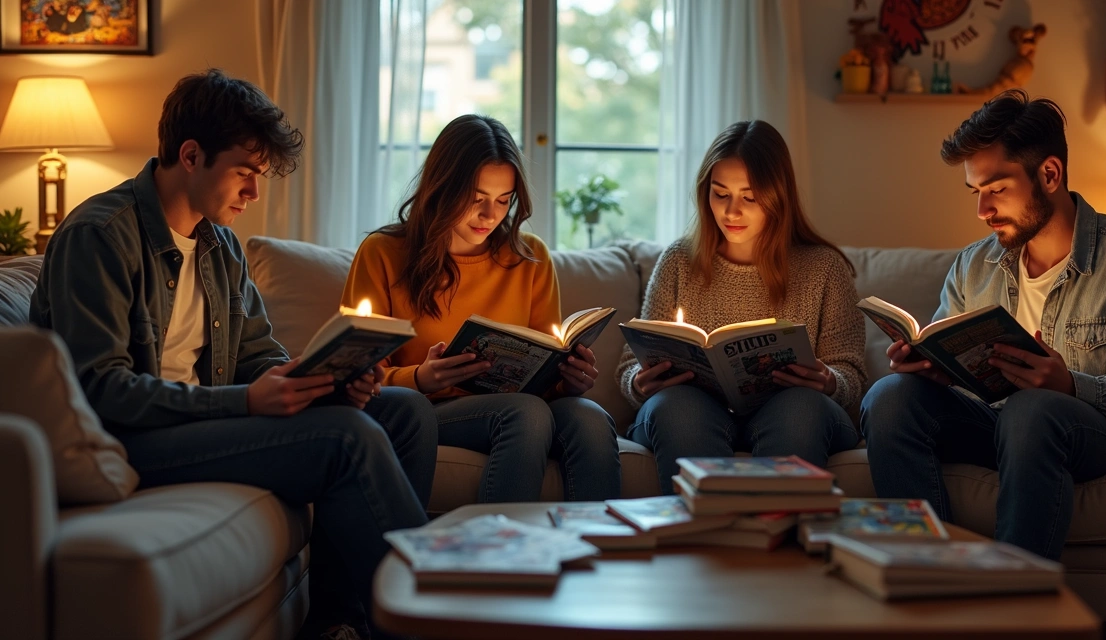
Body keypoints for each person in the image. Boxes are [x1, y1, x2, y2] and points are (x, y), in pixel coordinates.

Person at [28, 69, 437, 640]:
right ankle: (439, 615)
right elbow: (100, 391)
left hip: (201, 423)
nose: (254, 192)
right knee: (347, 438)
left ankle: (340, 624)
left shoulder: (220, 245)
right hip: (133, 438)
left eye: (260, 175)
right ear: (191, 155)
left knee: (403, 413)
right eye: (245, 172)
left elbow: (258, 354)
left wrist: (325, 378)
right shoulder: (100, 235)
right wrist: (246, 401)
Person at [860, 89, 1106, 561]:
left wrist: (1074, 387)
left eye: (996, 189)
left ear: (1050, 174)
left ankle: (1014, 601)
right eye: (976, 192)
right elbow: (949, 357)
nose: (982, 211)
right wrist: (934, 369)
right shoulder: (973, 266)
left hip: (1103, 433)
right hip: (999, 424)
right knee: (888, 397)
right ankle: (928, 571)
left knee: (1032, 410)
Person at [342, 114, 621, 503]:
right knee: (525, 413)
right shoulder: (384, 253)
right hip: (427, 410)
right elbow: (352, 374)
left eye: (503, 200)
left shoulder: (531, 256)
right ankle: (498, 556)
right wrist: (421, 377)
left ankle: (599, 555)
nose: (491, 216)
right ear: (441, 188)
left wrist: (569, 379)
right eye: (476, 199)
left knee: (589, 418)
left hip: (522, 405)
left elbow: (547, 366)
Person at [615, 120, 867, 495]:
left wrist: (830, 380)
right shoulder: (680, 261)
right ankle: (698, 543)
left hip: (793, 409)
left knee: (800, 410)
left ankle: (779, 540)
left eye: (749, 198)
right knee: (677, 408)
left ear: (778, 196)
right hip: (695, 409)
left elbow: (852, 374)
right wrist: (638, 381)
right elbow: (629, 364)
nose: (731, 212)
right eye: (720, 194)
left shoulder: (823, 268)